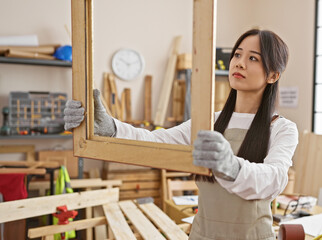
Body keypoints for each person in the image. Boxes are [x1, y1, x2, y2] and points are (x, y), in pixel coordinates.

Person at [64, 28, 298, 240]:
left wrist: (231, 166)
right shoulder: (210, 121)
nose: (239, 63)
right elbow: (156, 142)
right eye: (237, 55)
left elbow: (275, 178)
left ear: (273, 76)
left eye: (253, 58)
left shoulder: (281, 128)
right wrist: (111, 129)